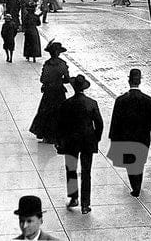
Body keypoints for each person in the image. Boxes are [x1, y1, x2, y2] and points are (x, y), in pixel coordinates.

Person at [107, 68, 151, 198]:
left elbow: (115, 120)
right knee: (140, 162)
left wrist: (113, 137)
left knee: (130, 163)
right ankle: (138, 186)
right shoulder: (148, 100)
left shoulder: (120, 100)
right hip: (142, 137)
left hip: (127, 137)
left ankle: (134, 186)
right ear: (140, 81)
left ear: (129, 81)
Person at [56, 75, 104, 214]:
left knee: (71, 170)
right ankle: (85, 204)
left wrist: (60, 140)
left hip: (71, 142)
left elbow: (60, 125)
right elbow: (99, 124)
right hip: (88, 141)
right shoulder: (92, 103)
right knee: (86, 172)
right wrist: (96, 138)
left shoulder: (66, 104)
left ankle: (73, 198)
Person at [30, 41, 71, 144]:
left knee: (46, 112)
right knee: (60, 113)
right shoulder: (62, 64)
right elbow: (67, 79)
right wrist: (59, 80)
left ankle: (46, 136)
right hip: (59, 92)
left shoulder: (47, 64)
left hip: (48, 92)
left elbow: (43, 79)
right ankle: (59, 135)